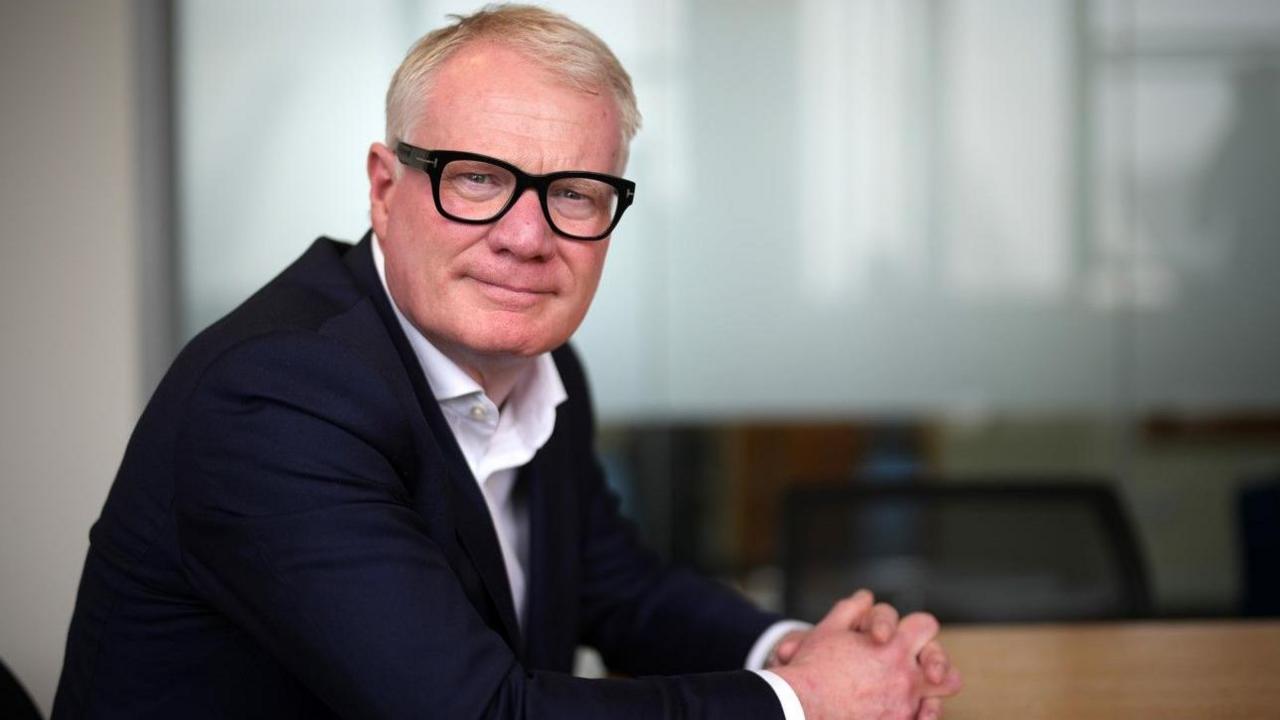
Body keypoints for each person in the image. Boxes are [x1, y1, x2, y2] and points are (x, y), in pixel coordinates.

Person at [52, 6, 960, 719]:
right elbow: (479, 711)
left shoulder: (535, 364)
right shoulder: (276, 402)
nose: (527, 238)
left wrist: (793, 649)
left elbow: (621, 592)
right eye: (478, 178)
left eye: (573, 192)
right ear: (384, 185)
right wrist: (806, 703)